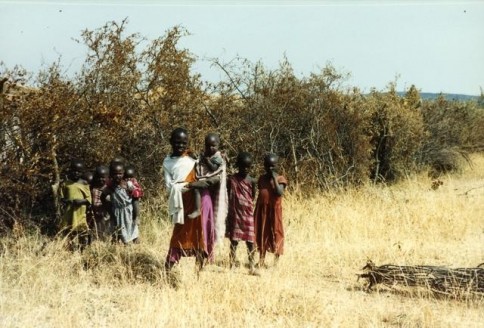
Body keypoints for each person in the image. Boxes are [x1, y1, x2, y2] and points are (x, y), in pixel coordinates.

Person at [163, 128, 208, 275]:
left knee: (198, 235)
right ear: (170, 142)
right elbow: (169, 186)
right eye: (177, 142)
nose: (180, 146)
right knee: (179, 234)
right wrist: (184, 186)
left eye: (183, 143)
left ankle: (199, 272)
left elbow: (201, 175)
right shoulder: (168, 162)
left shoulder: (192, 159)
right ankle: (167, 271)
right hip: (180, 202)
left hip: (195, 201)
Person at [187, 133, 228, 263]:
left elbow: (214, 172)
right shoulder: (203, 156)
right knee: (202, 228)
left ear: (218, 145)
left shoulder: (218, 158)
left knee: (205, 228)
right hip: (201, 194)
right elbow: (197, 163)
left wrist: (195, 183)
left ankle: (205, 256)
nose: (210, 148)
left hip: (206, 196)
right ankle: (201, 255)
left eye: (213, 146)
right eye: (208, 145)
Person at [225, 152, 259, 275]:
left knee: (251, 241)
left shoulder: (251, 181)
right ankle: (232, 263)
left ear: (251, 167)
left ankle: (251, 266)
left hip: (248, 214)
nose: (245, 169)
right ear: (238, 165)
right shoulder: (232, 179)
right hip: (235, 214)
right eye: (242, 166)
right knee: (234, 240)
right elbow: (228, 193)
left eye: (248, 167)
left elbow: (252, 196)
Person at [254, 153, 288, 268]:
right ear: (264, 166)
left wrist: (274, 177)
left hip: (274, 211)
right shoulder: (262, 178)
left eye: (273, 166)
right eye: (267, 166)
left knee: (276, 232)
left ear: (277, 165)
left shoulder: (280, 179)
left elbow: (279, 192)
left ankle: (276, 262)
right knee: (263, 233)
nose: (270, 168)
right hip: (263, 210)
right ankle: (261, 260)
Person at [101, 161, 139, 245]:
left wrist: (136, 216)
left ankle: (138, 250)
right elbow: (102, 197)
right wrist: (110, 209)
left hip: (129, 211)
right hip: (117, 213)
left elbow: (135, 199)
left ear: (124, 173)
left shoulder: (127, 184)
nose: (118, 176)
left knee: (134, 232)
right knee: (121, 232)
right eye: (115, 174)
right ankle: (125, 249)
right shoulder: (110, 187)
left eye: (120, 173)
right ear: (111, 174)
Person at [59, 159, 92, 251]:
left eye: (79, 172)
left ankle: (83, 249)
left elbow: (89, 200)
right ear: (70, 171)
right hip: (69, 212)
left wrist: (81, 201)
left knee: (82, 231)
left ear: (82, 172)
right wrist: (67, 201)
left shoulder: (84, 183)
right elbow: (61, 198)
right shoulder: (66, 184)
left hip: (80, 213)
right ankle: (69, 248)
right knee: (68, 231)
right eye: (74, 171)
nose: (76, 173)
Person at [89, 165, 111, 240]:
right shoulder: (93, 188)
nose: (100, 179)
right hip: (95, 213)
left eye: (103, 177)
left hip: (105, 213)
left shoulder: (108, 189)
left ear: (108, 177)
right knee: (96, 229)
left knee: (105, 229)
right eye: (98, 177)